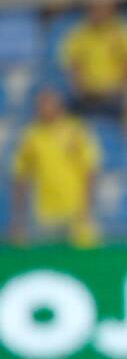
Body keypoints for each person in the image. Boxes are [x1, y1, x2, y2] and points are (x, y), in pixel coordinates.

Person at [10, 88, 101, 248]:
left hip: (76, 213)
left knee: (84, 262)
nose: (43, 109)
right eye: (40, 106)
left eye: (47, 105)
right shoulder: (31, 137)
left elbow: (90, 171)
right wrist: (19, 218)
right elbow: (20, 176)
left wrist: (87, 210)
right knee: (49, 262)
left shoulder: (76, 132)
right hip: (46, 216)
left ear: (58, 106)